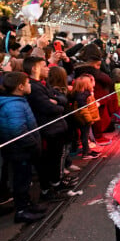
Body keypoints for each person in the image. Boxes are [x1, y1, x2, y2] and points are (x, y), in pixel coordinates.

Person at [23, 56, 73, 201]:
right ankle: (47, 190)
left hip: (56, 127)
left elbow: (62, 98)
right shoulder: (34, 87)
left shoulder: (44, 84)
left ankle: (56, 183)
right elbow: (49, 107)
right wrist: (58, 104)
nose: (48, 68)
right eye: (44, 66)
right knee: (48, 160)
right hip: (48, 129)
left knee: (55, 158)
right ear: (34, 68)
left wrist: (57, 100)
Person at [0, 72, 47, 223]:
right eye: (28, 83)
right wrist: (33, 145)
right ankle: (21, 211)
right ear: (20, 87)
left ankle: (26, 204)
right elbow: (17, 130)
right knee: (21, 180)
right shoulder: (14, 105)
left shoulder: (18, 101)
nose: (30, 85)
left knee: (24, 179)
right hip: (20, 151)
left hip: (22, 150)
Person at [71, 74, 101, 160]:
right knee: (85, 136)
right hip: (84, 120)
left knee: (86, 136)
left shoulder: (82, 94)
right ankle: (86, 153)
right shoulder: (82, 96)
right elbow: (84, 110)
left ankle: (88, 150)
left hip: (84, 119)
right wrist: (89, 120)